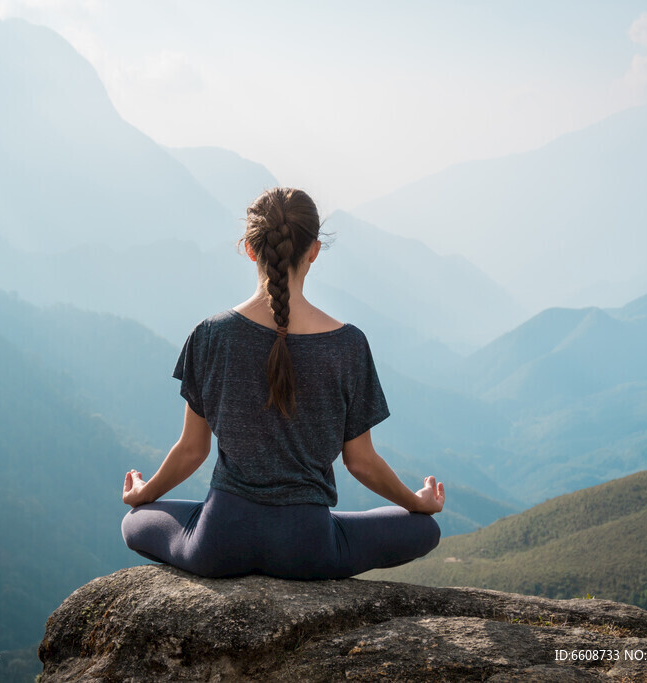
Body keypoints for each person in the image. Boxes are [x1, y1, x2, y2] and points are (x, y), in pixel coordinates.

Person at [121, 187, 444, 580]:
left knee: (134, 522)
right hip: (308, 549)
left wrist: (145, 493)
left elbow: (192, 450)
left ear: (249, 249)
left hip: (220, 542)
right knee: (425, 530)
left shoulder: (210, 335)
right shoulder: (348, 345)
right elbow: (360, 462)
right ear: (314, 251)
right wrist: (416, 501)